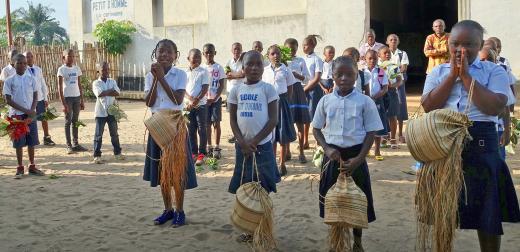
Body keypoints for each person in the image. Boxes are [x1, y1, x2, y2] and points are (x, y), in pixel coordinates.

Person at [421, 20, 520, 251]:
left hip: (482, 144)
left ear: (480, 45)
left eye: (469, 44)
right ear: (448, 43)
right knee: (444, 211)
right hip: (443, 145)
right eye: (455, 43)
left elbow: (494, 107)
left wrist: (466, 77)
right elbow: (428, 105)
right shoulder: (438, 71)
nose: (460, 49)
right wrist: (452, 76)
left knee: (487, 213)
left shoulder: (495, 70)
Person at [312, 56, 382, 252]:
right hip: (332, 156)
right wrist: (327, 148)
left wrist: (360, 158)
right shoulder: (325, 101)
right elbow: (316, 129)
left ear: (356, 75)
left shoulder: (365, 102)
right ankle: (336, 241)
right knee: (333, 200)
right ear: (332, 75)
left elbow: (371, 131)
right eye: (339, 74)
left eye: (349, 74)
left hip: (355, 157)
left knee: (358, 200)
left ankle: (357, 241)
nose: (344, 78)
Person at [143, 39, 197, 227]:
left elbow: (177, 99)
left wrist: (162, 78)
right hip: (157, 126)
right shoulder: (150, 76)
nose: (164, 55)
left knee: (177, 171)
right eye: (161, 51)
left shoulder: (180, 74)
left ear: (176, 56)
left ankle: (180, 210)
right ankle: (168, 209)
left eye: (169, 52)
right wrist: (155, 78)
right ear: (155, 54)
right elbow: (149, 102)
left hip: (175, 125)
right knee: (162, 171)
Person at [227, 50, 280, 242]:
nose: (255, 68)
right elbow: (232, 119)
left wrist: (255, 141)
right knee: (246, 187)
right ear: (243, 68)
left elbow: (273, 119)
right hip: (243, 148)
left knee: (262, 187)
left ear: (263, 67)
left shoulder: (268, 89)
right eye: (250, 64)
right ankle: (249, 229)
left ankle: (263, 228)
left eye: (259, 64)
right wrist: (242, 142)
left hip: (262, 147)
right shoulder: (236, 90)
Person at [2, 54, 45, 178]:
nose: (22, 65)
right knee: (19, 142)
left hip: (30, 115)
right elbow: (8, 100)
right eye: (19, 63)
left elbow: (36, 95)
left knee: (31, 141)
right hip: (16, 116)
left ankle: (32, 166)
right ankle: (20, 167)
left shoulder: (31, 79)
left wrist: (31, 110)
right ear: (13, 64)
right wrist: (25, 110)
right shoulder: (9, 81)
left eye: (24, 63)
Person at [262, 45, 297, 176]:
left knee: (282, 134)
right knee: (271, 135)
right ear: (268, 56)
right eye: (272, 54)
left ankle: (282, 163)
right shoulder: (264, 71)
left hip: (282, 103)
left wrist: (285, 102)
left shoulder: (286, 70)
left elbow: (290, 88)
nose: (275, 56)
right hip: (268, 104)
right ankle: (272, 164)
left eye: (277, 53)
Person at [91, 61, 124, 164]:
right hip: (100, 113)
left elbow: (117, 92)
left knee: (114, 134)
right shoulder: (96, 83)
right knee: (98, 135)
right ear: (98, 71)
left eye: (107, 69)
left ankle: (117, 153)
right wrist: (110, 91)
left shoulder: (112, 81)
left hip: (112, 112)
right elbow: (99, 93)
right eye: (103, 70)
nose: (105, 71)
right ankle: (97, 155)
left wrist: (106, 92)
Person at [285, 38, 311, 163]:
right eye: (288, 49)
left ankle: (301, 152)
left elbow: (306, 79)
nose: (291, 51)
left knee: (300, 123)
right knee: (287, 123)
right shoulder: (283, 61)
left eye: (294, 49)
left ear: (297, 48)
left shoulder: (301, 61)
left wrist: (296, 75)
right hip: (286, 92)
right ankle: (287, 151)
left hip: (298, 91)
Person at [57, 49, 87, 154]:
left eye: (73, 56)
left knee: (75, 121)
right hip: (68, 98)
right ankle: (68, 145)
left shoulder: (77, 68)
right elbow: (60, 88)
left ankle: (76, 144)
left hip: (76, 97)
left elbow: (79, 85)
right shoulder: (61, 70)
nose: (71, 58)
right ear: (63, 57)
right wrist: (63, 103)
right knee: (68, 121)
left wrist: (82, 100)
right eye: (69, 56)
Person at [24, 51, 56, 146]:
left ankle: (47, 138)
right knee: (30, 120)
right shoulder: (23, 70)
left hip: (40, 98)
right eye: (27, 57)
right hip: (29, 101)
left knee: (44, 119)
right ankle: (29, 140)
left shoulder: (38, 69)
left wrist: (45, 98)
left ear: (33, 57)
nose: (29, 58)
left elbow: (42, 84)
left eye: (30, 56)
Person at [185, 48, 210, 166]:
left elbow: (205, 88)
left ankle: (202, 154)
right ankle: (193, 153)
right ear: (188, 58)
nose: (197, 59)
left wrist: (196, 100)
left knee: (202, 129)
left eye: (199, 57)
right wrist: (190, 99)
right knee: (191, 130)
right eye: (194, 57)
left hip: (201, 106)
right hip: (188, 106)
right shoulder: (185, 73)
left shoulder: (203, 72)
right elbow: (183, 89)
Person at [202, 43, 226, 159]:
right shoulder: (201, 69)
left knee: (216, 123)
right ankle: (209, 146)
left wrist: (215, 98)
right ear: (203, 54)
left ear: (214, 53)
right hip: (205, 101)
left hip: (215, 100)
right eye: (206, 52)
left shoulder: (219, 68)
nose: (209, 54)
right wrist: (205, 98)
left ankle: (216, 147)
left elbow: (222, 85)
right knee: (207, 124)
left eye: (211, 52)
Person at [365, 50, 389, 161]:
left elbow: (385, 88)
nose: (372, 61)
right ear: (365, 59)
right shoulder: (362, 72)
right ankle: (366, 150)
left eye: (374, 58)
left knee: (377, 126)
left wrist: (375, 97)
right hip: (364, 102)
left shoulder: (380, 72)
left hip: (377, 102)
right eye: (370, 58)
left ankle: (377, 150)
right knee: (365, 126)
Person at [386, 34, 410, 144]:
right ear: (387, 42)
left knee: (400, 106)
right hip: (387, 83)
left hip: (399, 83)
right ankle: (388, 134)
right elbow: (382, 67)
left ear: (398, 41)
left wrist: (391, 69)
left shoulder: (402, 53)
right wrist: (396, 68)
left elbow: (403, 68)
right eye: (391, 40)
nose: (393, 41)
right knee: (387, 107)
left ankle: (400, 134)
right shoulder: (384, 53)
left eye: (395, 39)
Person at [378, 46, 403, 149]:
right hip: (380, 93)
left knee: (393, 116)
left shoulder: (394, 66)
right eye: (385, 53)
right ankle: (383, 138)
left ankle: (393, 138)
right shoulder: (378, 67)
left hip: (392, 92)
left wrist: (391, 85)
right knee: (382, 116)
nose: (387, 54)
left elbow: (399, 80)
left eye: (388, 52)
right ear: (379, 55)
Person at [302, 35, 324, 150]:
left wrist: (305, 89)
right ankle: (305, 140)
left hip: (313, 90)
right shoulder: (302, 59)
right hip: (303, 90)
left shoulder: (317, 59)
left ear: (313, 45)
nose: (304, 47)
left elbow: (316, 78)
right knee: (304, 116)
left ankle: (318, 141)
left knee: (314, 116)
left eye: (306, 45)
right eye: (303, 45)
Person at [225, 42, 245, 143]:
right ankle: (235, 134)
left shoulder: (244, 61)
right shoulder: (229, 62)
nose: (236, 51)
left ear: (241, 50)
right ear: (232, 50)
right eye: (235, 49)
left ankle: (241, 133)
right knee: (232, 114)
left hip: (241, 91)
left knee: (241, 112)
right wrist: (238, 74)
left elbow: (243, 75)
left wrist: (232, 75)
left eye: (238, 49)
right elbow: (226, 74)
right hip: (230, 91)